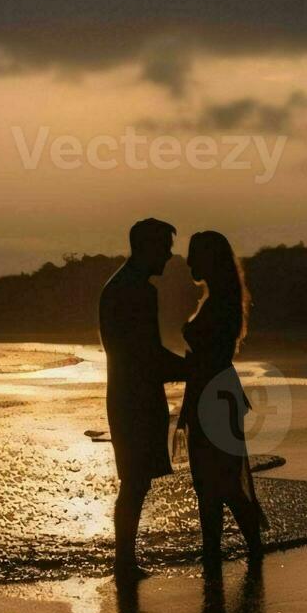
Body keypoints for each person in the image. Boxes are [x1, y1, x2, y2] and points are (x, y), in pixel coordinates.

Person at [98, 218, 187, 579]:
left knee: (135, 482)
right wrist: (195, 368)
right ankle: (124, 564)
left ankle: (125, 561)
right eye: (165, 246)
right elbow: (146, 354)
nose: (169, 255)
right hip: (135, 397)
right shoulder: (136, 290)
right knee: (134, 482)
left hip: (127, 393)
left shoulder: (119, 285)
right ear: (147, 246)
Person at [178, 231, 266, 561]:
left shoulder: (220, 303)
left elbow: (208, 358)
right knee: (217, 481)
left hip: (214, 395)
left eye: (193, 256)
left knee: (221, 481)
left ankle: (232, 552)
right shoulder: (219, 299)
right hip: (214, 391)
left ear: (209, 260)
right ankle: (224, 551)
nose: (188, 263)